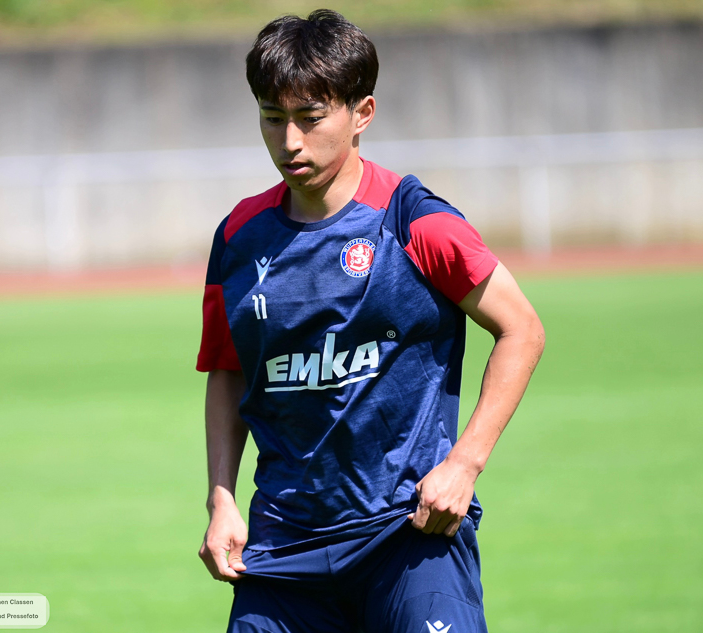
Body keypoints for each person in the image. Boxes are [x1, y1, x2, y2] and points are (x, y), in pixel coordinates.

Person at [195, 9, 545, 632]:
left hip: (408, 533)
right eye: (272, 118)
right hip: (284, 547)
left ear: (363, 113)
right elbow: (228, 369)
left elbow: (522, 329)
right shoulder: (239, 236)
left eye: (310, 118)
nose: (289, 141)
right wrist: (221, 497)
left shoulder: (417, 222)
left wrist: (464, 464)